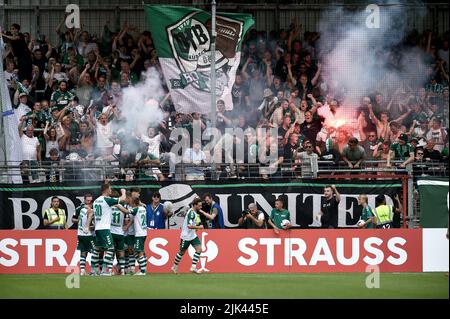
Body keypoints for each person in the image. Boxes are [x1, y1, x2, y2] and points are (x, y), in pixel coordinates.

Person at [86, 183, 126, 276]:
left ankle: (93, 271)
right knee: (110, 248)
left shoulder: (96, 201)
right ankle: (104, 270)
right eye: (110, 189)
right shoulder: (106, 200)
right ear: (106, 189)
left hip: (98, 228)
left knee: (97, 249)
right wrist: (123, 192)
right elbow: (122, 199)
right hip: (104, 229)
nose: (111, 190)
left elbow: (91, 213)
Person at [171, 197, 204, 274]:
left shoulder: (195, 213)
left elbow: (194, 224)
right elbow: (189, 226)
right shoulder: (191, 213)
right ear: (195, 205)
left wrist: (196, 227)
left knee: (199, 249)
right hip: (186, 236)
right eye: (199, 205)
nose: (200, 207)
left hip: (192, 235)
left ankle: (193, 267)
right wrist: (199, 227)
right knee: (181, 252)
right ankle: (174, 267)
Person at [129, 197, 148, 276]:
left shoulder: (135, 209)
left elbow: (126, 211)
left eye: (131, 202)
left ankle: (142, 271)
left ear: (134, 203)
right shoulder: (143, 208)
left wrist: (117, 206)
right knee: (138, 251)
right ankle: (143, 267)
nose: (130, 203)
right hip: (143, 233)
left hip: (139, 234)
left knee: (139, 252)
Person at [76, 202, 95, 276]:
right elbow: (90, 225)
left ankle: (82, 271)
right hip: (87, 235)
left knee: (83, 252)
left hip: (80, 234)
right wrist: (90, 227)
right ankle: (93, 270)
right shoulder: (90, 211)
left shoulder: (81, 210)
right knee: (95, 251)